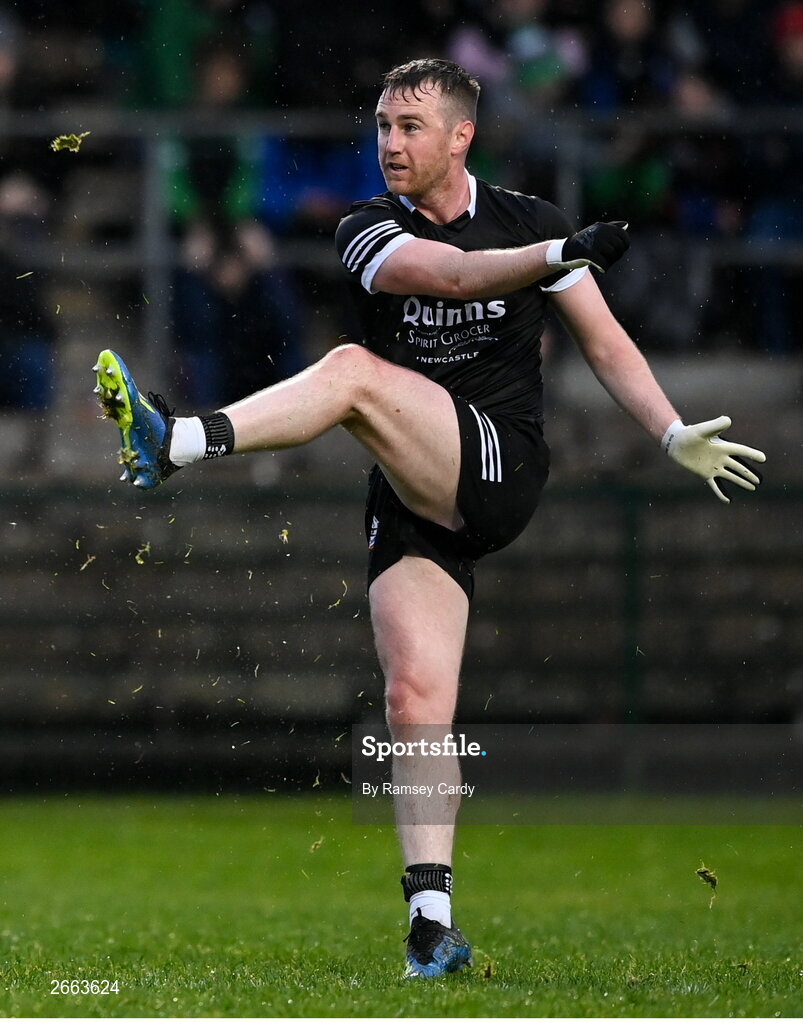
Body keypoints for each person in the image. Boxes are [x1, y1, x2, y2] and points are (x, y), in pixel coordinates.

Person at [93, 58, 766, 979]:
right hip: (416, 487)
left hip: (498, 463)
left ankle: (174, 443)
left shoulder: (532, 220)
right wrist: (552, 260)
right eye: (381, 125)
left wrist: (671, 430)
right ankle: (430, 928)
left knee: (352, 373)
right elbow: (449, 277)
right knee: (415, 705)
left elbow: (604, 343)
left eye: (410, 126)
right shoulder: (369, 227)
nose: (389, 143)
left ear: (461, 136)